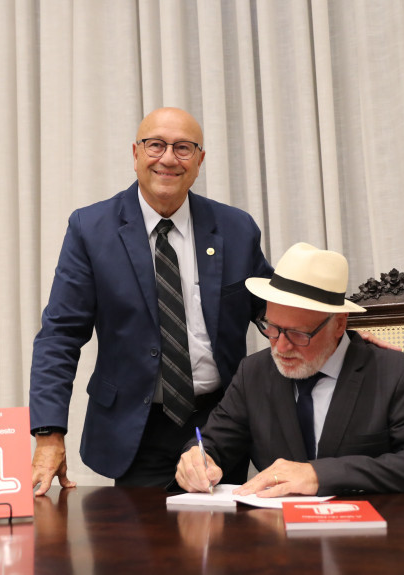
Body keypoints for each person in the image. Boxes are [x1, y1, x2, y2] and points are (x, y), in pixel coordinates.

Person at [29, 107, 273, 494]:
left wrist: (347, 337)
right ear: (136, 152)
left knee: (222, 547)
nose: (168, 158)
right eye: (155, 145)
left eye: (183, 148)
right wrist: (48, 434)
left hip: (219, 422)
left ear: (200, 160)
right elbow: (60, 335)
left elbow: (272, 309)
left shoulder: (235, 228)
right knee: (140, 549)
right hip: (135, 426)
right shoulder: (91, 230)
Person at [175, 243, 404, 496]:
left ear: (338, 324)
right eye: (272, 329)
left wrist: (320, 474)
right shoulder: (254, 373)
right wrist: (196, 459)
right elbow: (211, 443)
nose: (281, 347)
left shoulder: (395, 374)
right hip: (278, 541)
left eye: (299, 334)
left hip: (367, 542)